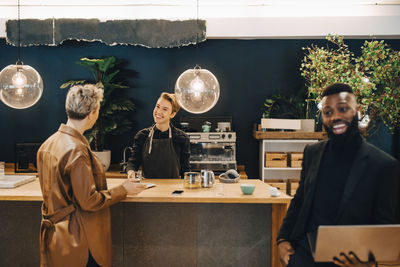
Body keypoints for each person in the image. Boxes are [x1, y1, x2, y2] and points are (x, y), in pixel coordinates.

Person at [277, 83, 400, 267]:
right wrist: (282, 239)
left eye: (343, 109)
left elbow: (385, 224)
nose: (335, 117)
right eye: (328, 112)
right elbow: (300, 199)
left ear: (357, 111)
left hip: (350, 260)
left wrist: (369, 262)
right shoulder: (312, 152)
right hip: (303, 256)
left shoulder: (384, 165)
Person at [37, 84, 146, 267]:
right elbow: (88, 201)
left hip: (56, 239)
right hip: (80, 240)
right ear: (91, 114)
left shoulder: (48, 144)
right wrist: (123, 190)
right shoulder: (77, 151)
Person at [126, 92, 190, 179]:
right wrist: (131, 173)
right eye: (158, 106)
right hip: (148, 189)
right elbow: (132, 163)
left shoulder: (182, 138)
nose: (159, 112)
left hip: (172, 190)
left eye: (165, 109)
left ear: (172, 114)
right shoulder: (142, 135)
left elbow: (185, 171)